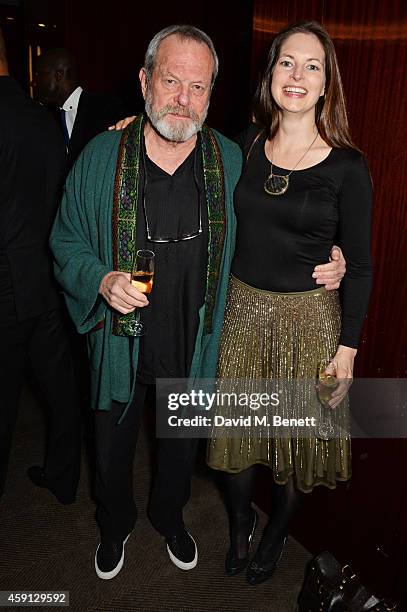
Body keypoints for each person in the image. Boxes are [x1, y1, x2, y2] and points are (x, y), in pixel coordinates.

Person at [50, 24, 345, 580]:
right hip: (120, 344)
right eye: (170, 81)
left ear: (213, 93)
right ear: (144, 82)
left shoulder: (233, 161)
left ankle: (169, 516)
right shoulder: (101, 155)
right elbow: (64, 237)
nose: (183, 99)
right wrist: (98, 278)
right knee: (110, 450)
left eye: (198, 86)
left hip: (195, 340)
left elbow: (285, 217)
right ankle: (114, 526)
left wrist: (335, 254)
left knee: (180, 450)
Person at [206, 20, 373, 585]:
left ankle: (276, 534)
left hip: (311, 322)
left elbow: (364, 265)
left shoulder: (348, 165)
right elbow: (184, 142)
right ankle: (238, 525)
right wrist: (131, 127)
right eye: (286, 62)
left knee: (296, 447)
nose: (296, 75)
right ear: (270, 73)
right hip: (243, 313)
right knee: (232, 437)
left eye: (311, 66)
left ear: (327, 84)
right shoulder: (247, 141)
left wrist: (348, 348)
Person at [0, 29, 80, 504]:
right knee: (62, 396)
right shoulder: (44, 119)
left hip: (6, 292)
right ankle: (64, 479)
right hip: (47, 286)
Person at [32, 48, 125, 171]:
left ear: (58, 75)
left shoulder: (107, 109)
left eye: (39, 74)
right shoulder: (45, 118)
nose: (33, 82)